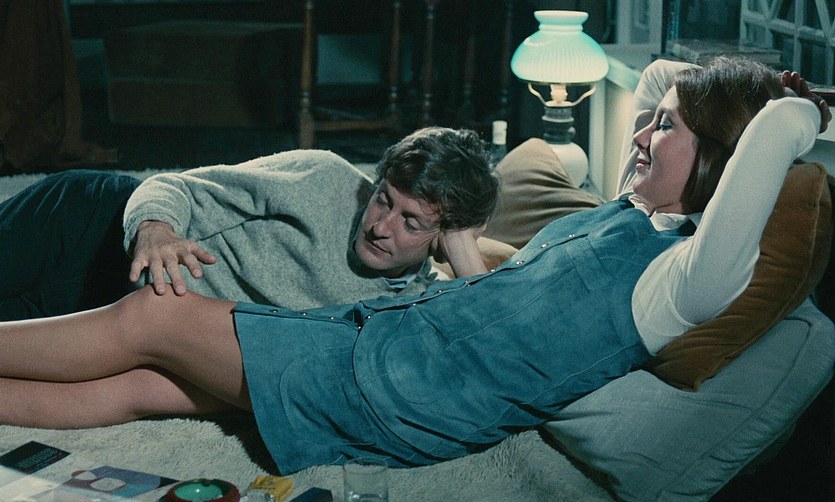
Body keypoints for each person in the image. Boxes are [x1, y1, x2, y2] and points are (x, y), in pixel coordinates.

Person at [0, 57, 829, 475]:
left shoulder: (683, 283)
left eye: (665, 127)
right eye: (649, 122)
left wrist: (792, 108)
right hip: (380, 351)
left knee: (153, 318)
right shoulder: (631, 215)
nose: (642, 132)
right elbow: (657, 80)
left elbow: (762, 146)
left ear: (723, 157)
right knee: (150, 384)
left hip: (390, 383)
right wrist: (721, 95)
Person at [0, 126, 499, 320]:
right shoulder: (324, 177)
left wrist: (460, 245)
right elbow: (173, 186)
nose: (380, 226)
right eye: (383, 199)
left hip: (100, 310)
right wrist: (156, 231)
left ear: (443, 238)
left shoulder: (412, 304)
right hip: (92, 225)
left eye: (411, 222)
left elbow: (495, 336)